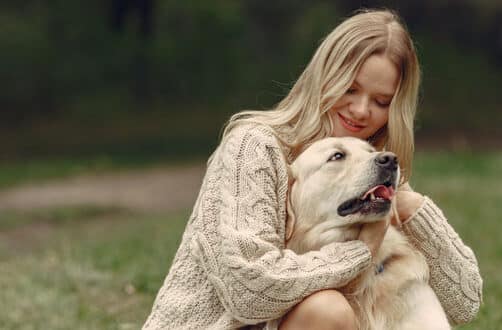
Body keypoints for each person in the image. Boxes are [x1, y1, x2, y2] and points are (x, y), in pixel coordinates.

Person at [143, 9, 482, 330]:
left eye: (381, 102)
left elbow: (464, 302)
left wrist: (411, 207)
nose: (362, 111)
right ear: (325, 76)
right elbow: (249, 292)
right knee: (328, 310)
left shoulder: (372, 169)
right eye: (350, 89)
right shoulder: (254, 147)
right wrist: (360, 252)